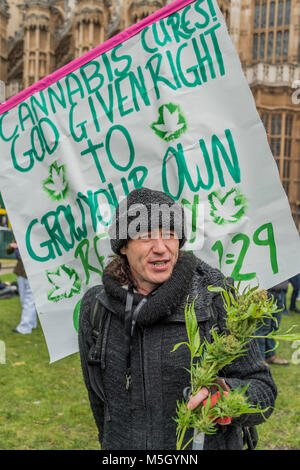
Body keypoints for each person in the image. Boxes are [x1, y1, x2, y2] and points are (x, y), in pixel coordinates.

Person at [78, 187, 277, 451]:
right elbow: (100, 403)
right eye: (146, 236)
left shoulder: (215, 297)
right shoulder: (97, 307)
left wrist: (225, 397)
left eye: (170, 235)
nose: (161, 248)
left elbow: (263, 392)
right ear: (123, 245)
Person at [6, 240, 37, 334]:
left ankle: (24, 327)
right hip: (21, 273)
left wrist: (19, 248)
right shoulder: (18, 233)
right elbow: (8, 250)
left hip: (32, 272)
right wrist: (13, 246)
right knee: (24, 300)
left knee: (29, 301)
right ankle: (32, 323)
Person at [256, 281, 289, 366]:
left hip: (281, 291)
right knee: (262, 328)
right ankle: (261, 359)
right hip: (265, 292)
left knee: (274, 327)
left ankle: (271, 355)